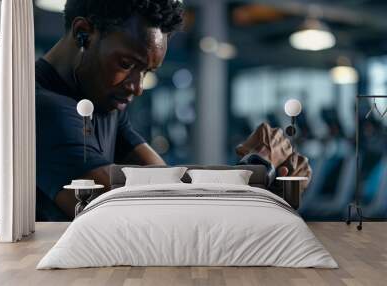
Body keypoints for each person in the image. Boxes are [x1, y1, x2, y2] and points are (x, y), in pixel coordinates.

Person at [36, 0, 311, 221]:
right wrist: (258, 170)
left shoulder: (104, 102)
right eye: (126, 63)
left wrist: (263, 177)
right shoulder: (43, 108)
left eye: (146, 71)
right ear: (83, 33)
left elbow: (171, 182)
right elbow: (125, 211)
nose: (138, 87)